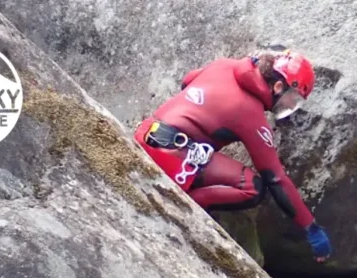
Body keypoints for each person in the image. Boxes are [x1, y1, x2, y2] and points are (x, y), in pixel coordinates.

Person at [133, 49, 332, 262]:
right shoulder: (251, 115)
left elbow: (187, 80)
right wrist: (311, 228)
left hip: (146, 133)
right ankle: (184, 205)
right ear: (277, 86)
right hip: (169, 156)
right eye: (292, 99)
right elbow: (275, 178)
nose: (290, 106)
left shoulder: (223, 65)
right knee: (254, 188)